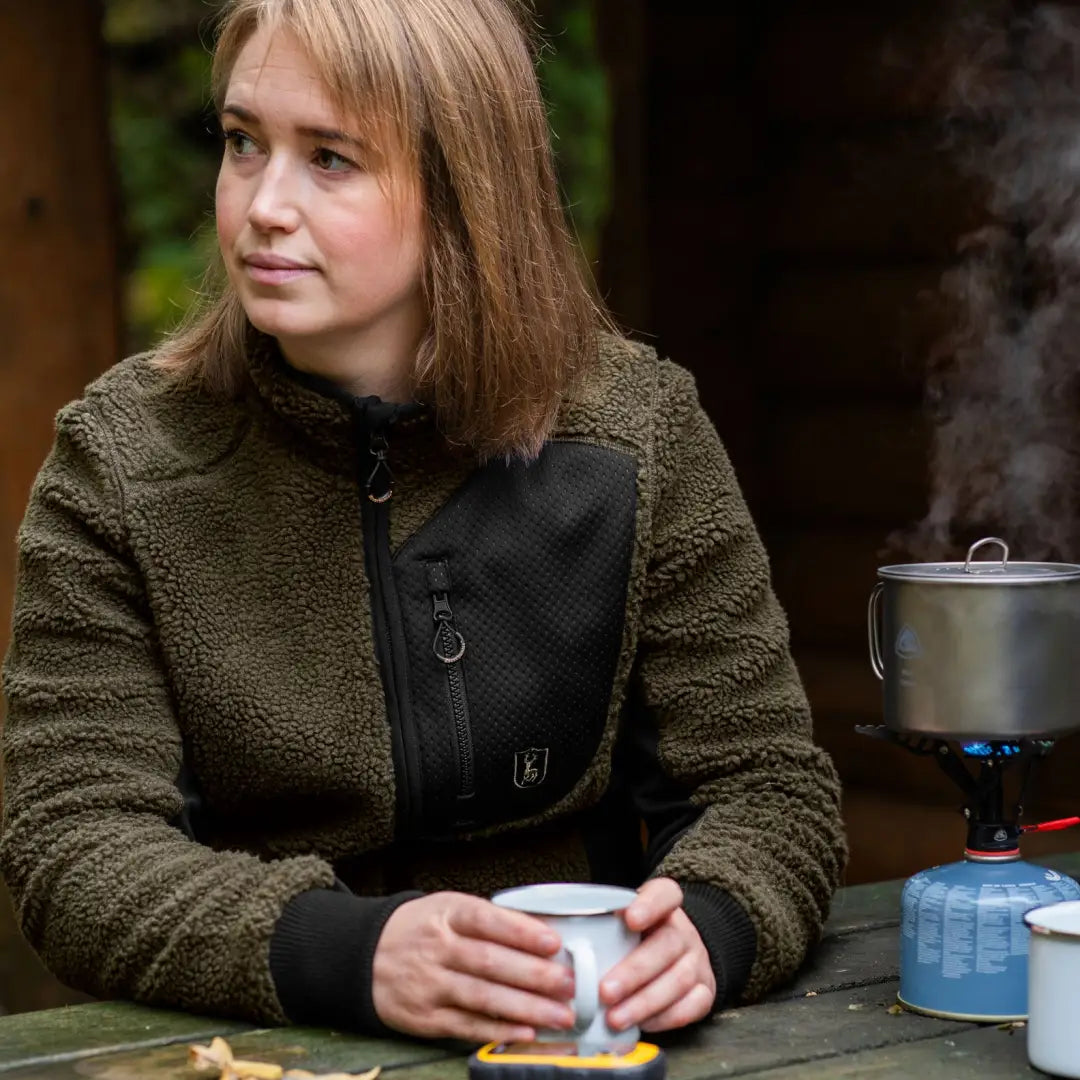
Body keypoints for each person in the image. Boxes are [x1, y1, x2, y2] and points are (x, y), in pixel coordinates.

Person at [0, 0, 847, 1046]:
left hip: (575, 1044)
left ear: (461, 190)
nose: (263, 204)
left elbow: (767, 787)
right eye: (242, 143)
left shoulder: (639, 430)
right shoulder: (120, 461)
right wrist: (346, 955)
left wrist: (709, 930)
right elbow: (73, 842)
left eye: (332, 159)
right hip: (251, 1050)